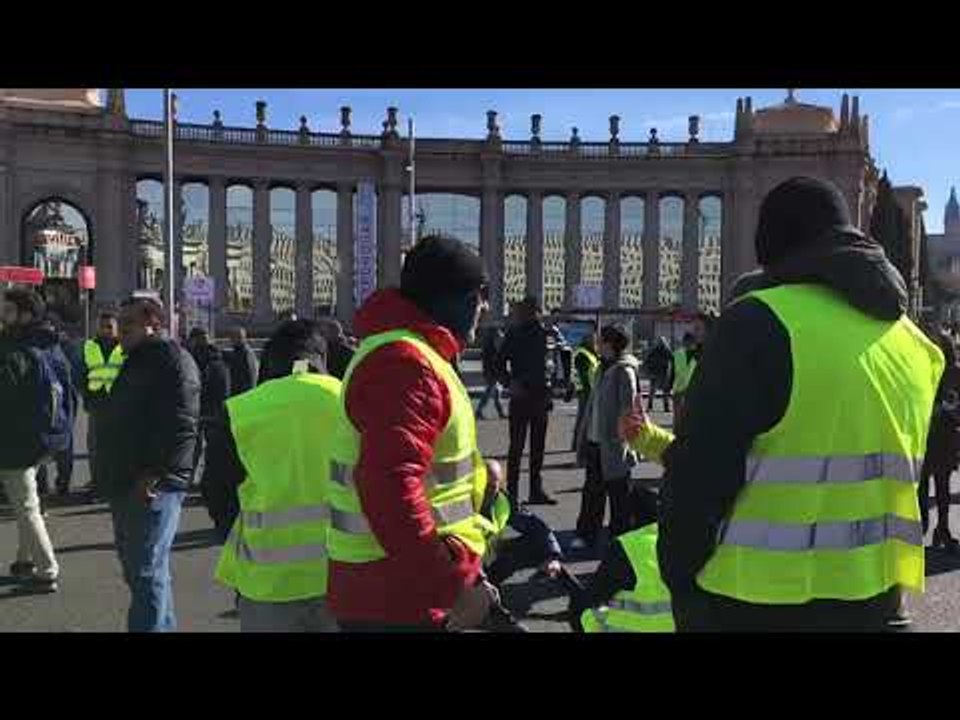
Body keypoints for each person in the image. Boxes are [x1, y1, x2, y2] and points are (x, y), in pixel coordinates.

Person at [620, 176, 944, 632]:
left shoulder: (758, 322)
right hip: (879, 599)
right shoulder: (915, 344)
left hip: (754, 602)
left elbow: (700, 478)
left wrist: (681, 582)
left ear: (771, 245)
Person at [326, 234, 499, 632]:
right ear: (455, 296)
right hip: (401, 598)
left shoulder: (408, 353)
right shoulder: (406, 362)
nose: (485, 307)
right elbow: (390, 485)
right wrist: (452, 586)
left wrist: (480, 477)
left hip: (393, 587)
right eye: (481, 293)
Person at [213, 319, 339, 632]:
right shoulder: (355, 400)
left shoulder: (242, 410)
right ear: (322, 358)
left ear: (271, 360)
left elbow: (216, 488)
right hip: (346, 574)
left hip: (267, 581)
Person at [97, 297, 200, 632]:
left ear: (153, 324)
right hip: (127, 479)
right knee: (141, 570)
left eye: (129, 324)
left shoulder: (170, 360)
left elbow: (181, 423)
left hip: (152, 483)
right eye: (120, 323)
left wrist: (155, 473)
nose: (120, 332)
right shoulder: (137, 360)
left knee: (145, 571)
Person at [0, 289, 73, 593]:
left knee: (26, 503)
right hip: (47, 437)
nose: (3, 315)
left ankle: (47, 569)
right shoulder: (51, 343)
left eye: (8, 311)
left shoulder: (15, 348)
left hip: (16, 440)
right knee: (27, 500)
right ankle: (24, 559)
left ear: (25, 314)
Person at [571, 324, 651, 549]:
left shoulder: (624, 371)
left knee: (619, 495)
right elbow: (592, 405)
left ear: (610, 344)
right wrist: (583, 435)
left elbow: (629, 408)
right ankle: (586, 534)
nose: (597, 345)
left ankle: (621, 539)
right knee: (592, 492)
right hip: (595, 440)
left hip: (615, 445)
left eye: (601, 341)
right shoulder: (601, 368)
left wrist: (622, 440)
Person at [496, 295, 555, 506]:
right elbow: (498, 363)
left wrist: (556, 385)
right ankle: (513, 493)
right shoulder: (515, 334)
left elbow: (555, 362)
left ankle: (534, 490)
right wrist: (510, 383)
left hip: (539, 395)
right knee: (518, 447)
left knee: (536, 447)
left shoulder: (547, 334)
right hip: (522, 395)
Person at [918, 324, 960, 550]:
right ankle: (923, 527)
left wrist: (948, 409)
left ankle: (942, 529)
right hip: (925, 438)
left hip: (944, 438)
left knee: (942, 489)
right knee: (921, 489)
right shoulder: (921, 368)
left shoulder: (955, 373)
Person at [79, 310, 125, 500]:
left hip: (119, 405)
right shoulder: (90, 346)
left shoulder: (124, 346)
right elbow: (83, 373)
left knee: (116, 447)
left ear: (116, 328)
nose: (106, 330)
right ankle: (98, 484)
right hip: (97, 403)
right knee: (96, 448)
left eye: (110, 327)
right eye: (103, 326)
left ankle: (113, 484)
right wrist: (87, 398)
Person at [185, 327, 231, 485]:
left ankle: (194, 477)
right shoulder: (218, 357)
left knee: (195, 445)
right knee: (212, 446)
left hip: (199, 408)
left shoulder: (193, 357)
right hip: (214, 408)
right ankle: (210, 477)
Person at [569, 331, 600, 450]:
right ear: (588, 341)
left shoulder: (587, 353)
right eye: (593, 340)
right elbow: (584, 375)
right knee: (583, 418)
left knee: (584, 418)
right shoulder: (583, 354)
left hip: (586, 390)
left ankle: (578, 444)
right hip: (586, 391)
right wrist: (590, 391)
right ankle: (578, 444)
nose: (595, 342)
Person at [475, 324, 507, 420]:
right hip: (491, 372)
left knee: (494, 392)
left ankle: (498, 412)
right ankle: (480, 411)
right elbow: (490, 363)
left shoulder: (491, 348)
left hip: (491, 372)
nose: (500, 341)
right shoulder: (491, 350)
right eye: (499, 338)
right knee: (491, 392)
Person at [224, 326, 258, 397]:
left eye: (238, 337)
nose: (232, 339)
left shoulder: (247, 353)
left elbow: (252, 375)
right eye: (232, 337)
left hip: (244, 394)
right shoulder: (236, 353)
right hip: (237, 392)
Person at [642, 337, 673, 413]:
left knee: (656, 392)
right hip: (661, 373)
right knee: (662, 392)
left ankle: (652, 407)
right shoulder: (665, 350)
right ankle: (664, 407)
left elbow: (647, 360)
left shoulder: (656, 350)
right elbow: (672, 359)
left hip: (659, 373)